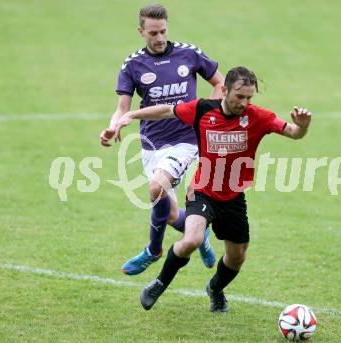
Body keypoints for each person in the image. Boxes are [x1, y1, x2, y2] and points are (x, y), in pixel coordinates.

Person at [113, 66, 312, 312]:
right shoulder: (203, 109)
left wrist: (302, 126)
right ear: (225, 90)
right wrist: (132, 114)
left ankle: (215, 289)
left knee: (237, 257)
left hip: (234, 197)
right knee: (193, 239)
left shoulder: (258, 117)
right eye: (240, 96)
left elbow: (292, 132)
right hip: (203, 190)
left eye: (249, 97)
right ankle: (159, 283)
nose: (244, 102)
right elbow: (166, 111)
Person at [100, 4, 224, 275]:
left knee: (156, 187)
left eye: (163, 32)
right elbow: (123, 108)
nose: (159, 38)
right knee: (168, 214)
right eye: (153, 33)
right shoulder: (133, 64)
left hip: (186, 140)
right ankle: (198, 234)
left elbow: (220, 83)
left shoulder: (189, 53)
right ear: (141, 31)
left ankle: (153, 251)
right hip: (152, 144)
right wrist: (112, 127)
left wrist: (205, 112)